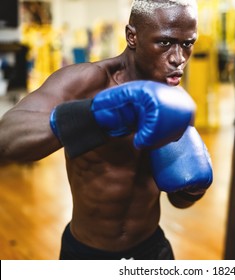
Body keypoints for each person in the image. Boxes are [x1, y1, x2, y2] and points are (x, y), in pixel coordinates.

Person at [0, 0, 213, 260]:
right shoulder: (86, 83)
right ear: (132, 36)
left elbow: (179, 200)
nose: (178, 58)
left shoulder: (174, 103)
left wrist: (193, 189)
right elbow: (7, 137)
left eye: (188, 43)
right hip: (87, 253)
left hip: (151, 250)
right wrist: (92, 116)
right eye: (165, 43)